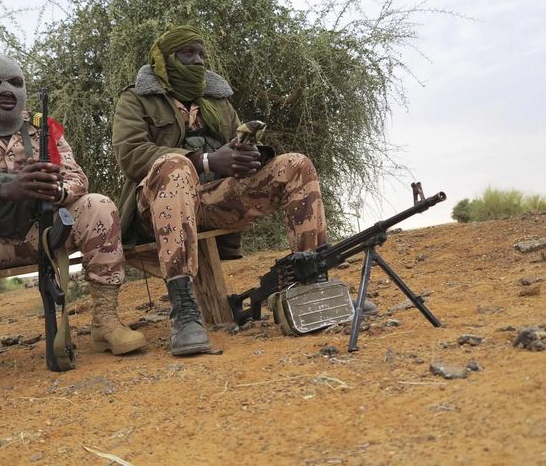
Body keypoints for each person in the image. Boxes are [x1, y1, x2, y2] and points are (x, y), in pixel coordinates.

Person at [112, 25, 375, 356]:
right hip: (156, 208)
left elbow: (232, 152)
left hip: (212, 199)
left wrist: (248, 156)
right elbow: (131, 155)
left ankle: (313, 286)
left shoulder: (217, 100)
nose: (198, 61)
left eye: (201, 54)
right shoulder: (135, 99)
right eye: (188, 53)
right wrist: (206, 161)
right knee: (176, 169)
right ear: (164, 60)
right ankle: (185, 312)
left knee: (296, 164)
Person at [0, 54, 145, 400]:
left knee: (98, 204)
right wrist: (4, 191)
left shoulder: (43, 128)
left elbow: (77, 180)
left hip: (40, 236)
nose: (6, 89)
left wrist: (55, 190)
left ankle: (106, 321)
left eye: (15, 83)